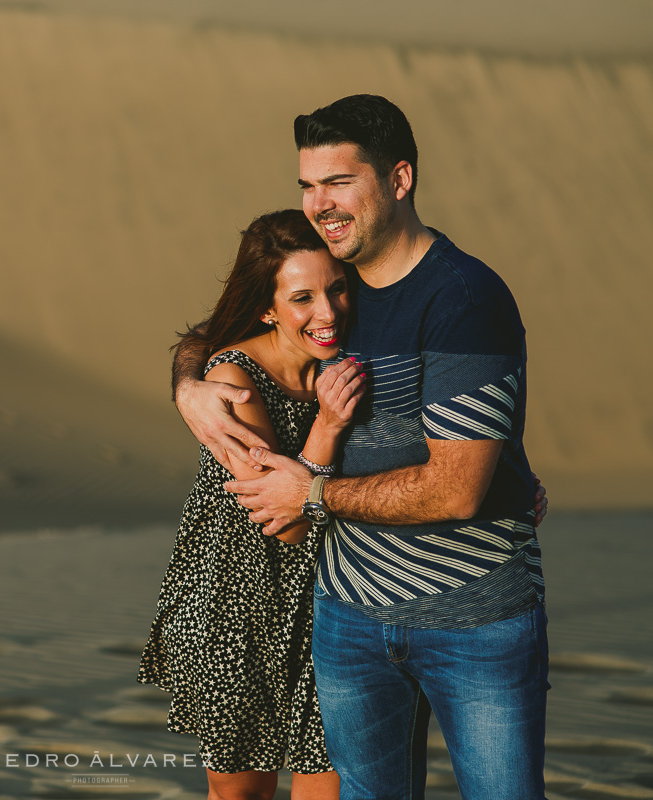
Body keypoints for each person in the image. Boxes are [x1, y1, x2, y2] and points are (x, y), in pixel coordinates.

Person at [174, 94, 549, 799]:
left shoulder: (462, 299)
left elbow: (455, 489)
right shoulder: (339, 285)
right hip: (349, 621)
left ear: (399, 180)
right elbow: (239, 321)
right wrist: (189, 383)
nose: (321, 204)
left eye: (339, 183)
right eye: (308, 186)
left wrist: (311, 489)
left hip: (472, 622)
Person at [139, 209, 366, 800]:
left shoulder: (339, 359)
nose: (327, 311)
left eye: (336, 288)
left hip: (330, 612)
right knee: (241, 795)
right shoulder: (232, 383)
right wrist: (329, 423)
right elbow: (284, 527)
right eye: (302, 298)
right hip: (235, 612)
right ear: (268, 308)